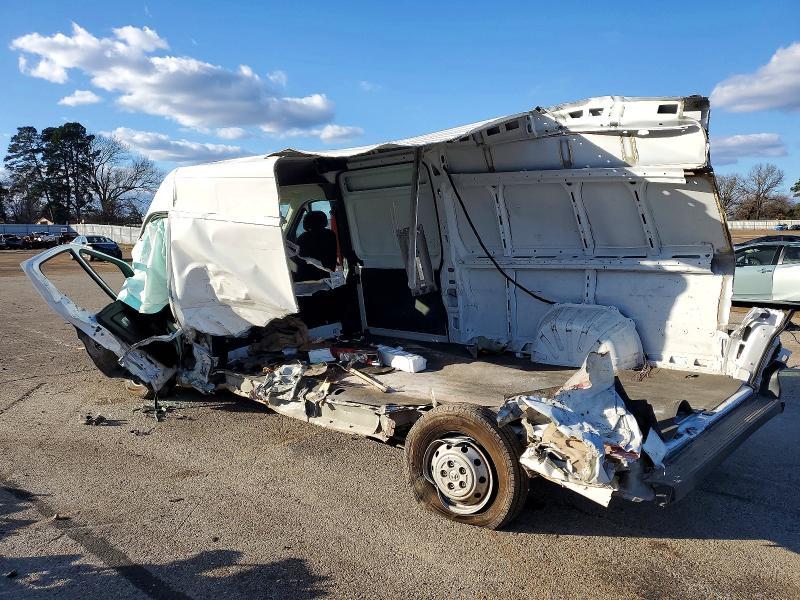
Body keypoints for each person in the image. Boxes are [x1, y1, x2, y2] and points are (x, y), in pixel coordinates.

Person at [295, 210, 337, 280]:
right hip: (328, 274)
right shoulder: (331, 234)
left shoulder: (303, 238)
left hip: (308, 276)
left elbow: (300, 259)